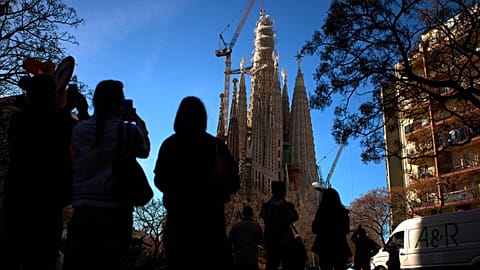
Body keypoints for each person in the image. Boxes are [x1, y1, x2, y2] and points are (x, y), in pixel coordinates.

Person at [62, 80, 150, 270]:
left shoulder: (79, 130)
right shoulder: (127, 130)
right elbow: (144, 151)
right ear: (120, 102)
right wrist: (138, 121)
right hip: (116, 213)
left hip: (83, 211)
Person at [153, 96, 239, 270]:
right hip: (210, 222)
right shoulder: (215, 145)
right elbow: (234, 181)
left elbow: (159, 180)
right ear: (203, 118)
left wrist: (178, 191)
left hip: (179, 220)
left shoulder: (170, 144)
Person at [0, 74, 76, 270]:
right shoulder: (59, 122)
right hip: (46, 202)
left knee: (13, 255)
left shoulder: (19, 119)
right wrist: (70, 109)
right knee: (42, 259)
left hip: (17, 197)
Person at [260, 180, 299, 270]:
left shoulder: (266, 206)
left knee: (272, 264)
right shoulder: (287, 206)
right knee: (287, 264)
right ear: (283, 191)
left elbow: (264, 217)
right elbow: (295, 217)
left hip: (271, 239)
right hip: (285, 239)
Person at [311, 187, 352, 270]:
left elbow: (315, 228)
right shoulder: (343, 212)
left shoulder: (321, 212)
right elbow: (346, 229)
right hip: (340, 246)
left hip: (324, 246)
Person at [229, 205, 264, 270]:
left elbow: (230, 240)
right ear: (252, 214)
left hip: (239, 257)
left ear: (243, 214)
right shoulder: (256, 227)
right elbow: (261, 241)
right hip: (252, 257)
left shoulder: (235, 226)